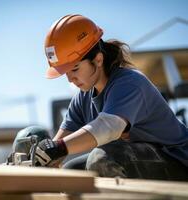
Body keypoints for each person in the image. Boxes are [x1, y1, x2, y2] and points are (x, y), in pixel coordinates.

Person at [32, 14, 188, 180]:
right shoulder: (83, 97)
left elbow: (109, 127)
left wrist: (59, 148)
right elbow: (58, 145)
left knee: (102, 160)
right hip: (143, 159)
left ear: (98, 59)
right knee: (73, 171)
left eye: (75, 69)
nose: (70, 78)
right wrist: (41, 158)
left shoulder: (130, 83)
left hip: (178, 163)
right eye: (65, 72)